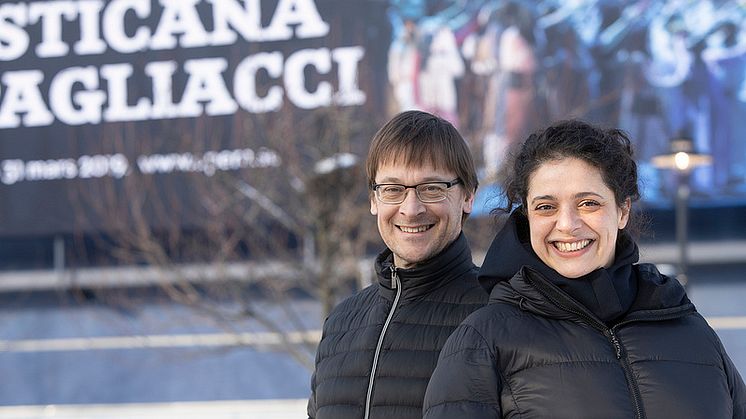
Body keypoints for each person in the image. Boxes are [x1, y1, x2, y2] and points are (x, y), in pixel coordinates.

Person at [423, 119, 746, 418]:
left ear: (622, 211)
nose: (567, 225)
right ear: (528, 217)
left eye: (588, 203)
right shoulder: (484, 340)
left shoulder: (689, 329)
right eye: (546, 207)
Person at [308, 110, 488, 419]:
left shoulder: (497, 315)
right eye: (393, 189)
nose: (411, 209)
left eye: (432, 187)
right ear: (374, 200)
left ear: (468, 196)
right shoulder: (340, 323)